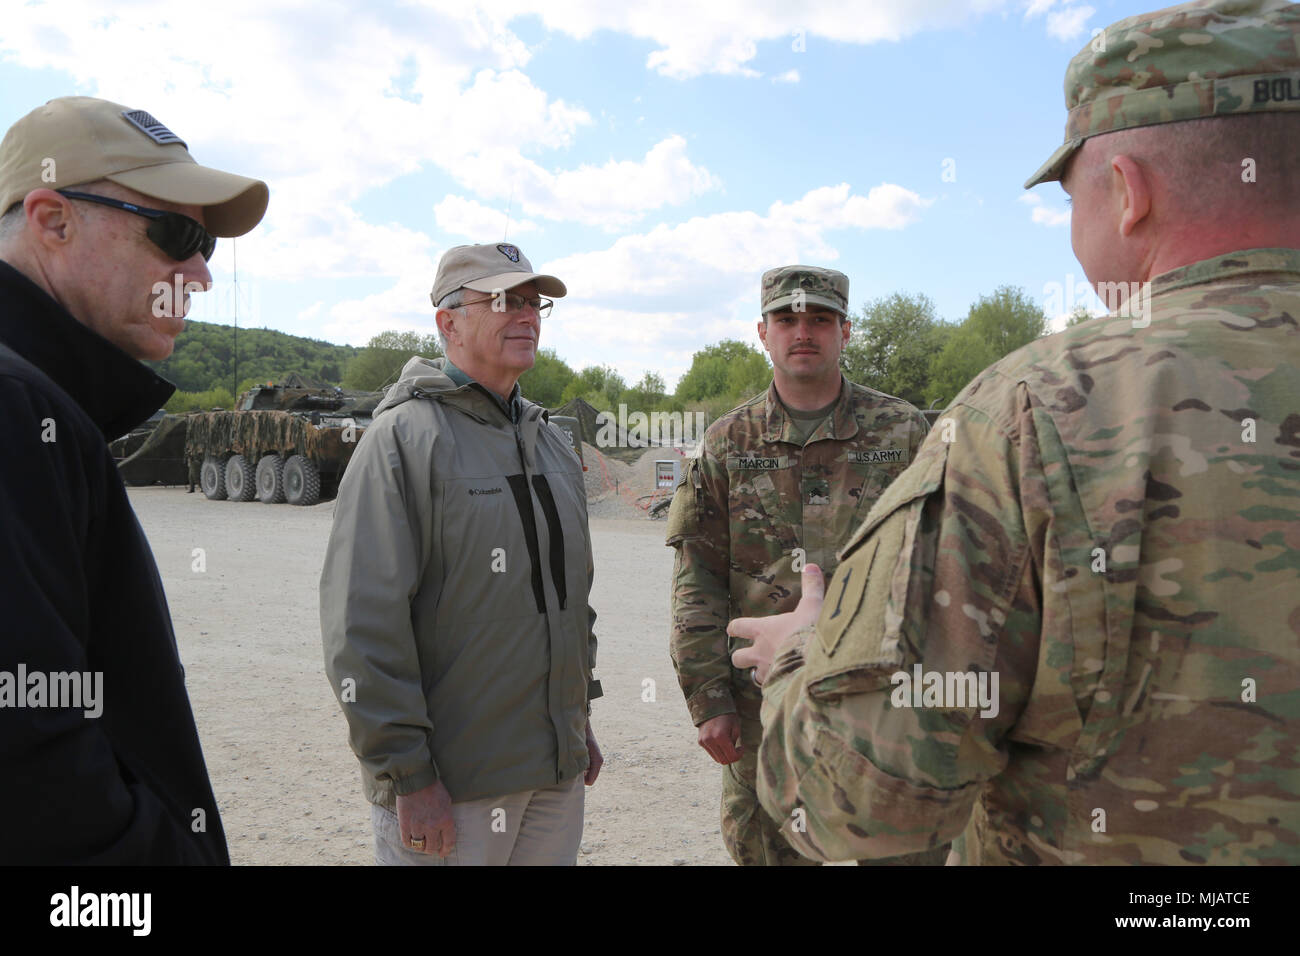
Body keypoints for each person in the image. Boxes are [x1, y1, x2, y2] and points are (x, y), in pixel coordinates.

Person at [733, 0, 1300, 865]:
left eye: (1070, 193)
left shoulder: (1036, 411)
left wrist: (797, 652)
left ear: (1127, 192)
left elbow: (865, 804)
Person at [0, 96, 268, 863]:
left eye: (208, 244)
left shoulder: (40, 404)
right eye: (177, 234)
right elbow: (33, 769)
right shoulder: (15, 406)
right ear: (52, 220)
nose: (202, 273)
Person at [321, 242, 603, 866]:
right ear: (448, 321)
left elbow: (568, 599)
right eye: (503, 300)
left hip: (553, 771)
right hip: (454, 784)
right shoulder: (402, 441)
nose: (526, 315)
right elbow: (361, 626)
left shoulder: (551, 443)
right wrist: (407, 776)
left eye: (535, 302)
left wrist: (577, 716)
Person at [666, 265, 937, 865]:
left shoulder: (904, 431)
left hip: (882, 701)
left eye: (819, 319)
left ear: (846, 329)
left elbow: (941, 563)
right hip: (765, 703)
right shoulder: (728, 442)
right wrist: (708, 697)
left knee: (900, 851)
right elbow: (699, 579)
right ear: (763, 332)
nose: (803, 332)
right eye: (786, 319)